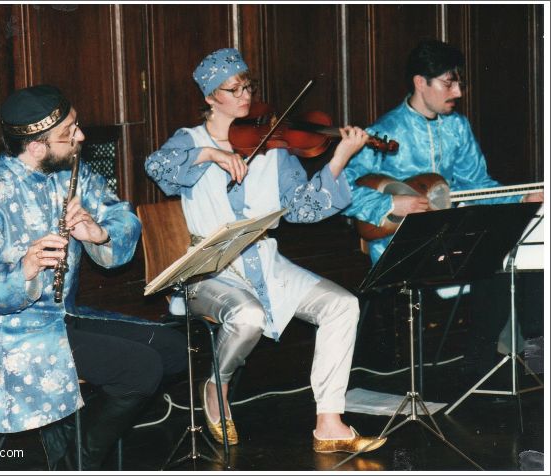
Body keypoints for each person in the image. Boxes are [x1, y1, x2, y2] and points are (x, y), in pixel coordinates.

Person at [145, 48, 386, 454]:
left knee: (342, 305)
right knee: (248, 314)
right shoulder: (190, 141)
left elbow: (305, 210)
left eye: (248, 86)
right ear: (209, 97)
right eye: (233, 89)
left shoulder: (272, 145)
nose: (244, 95)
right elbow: (157, 168)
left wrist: (339, 160)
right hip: (209, 269)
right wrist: (210, 154)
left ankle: (329, 420)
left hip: (264, 261)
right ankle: (217, 385)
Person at [0, 85, 186, 470]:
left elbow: (122, 215)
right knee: (141, 368)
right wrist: (22, 270)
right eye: (69, 132)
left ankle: (73, 439)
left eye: (76, 125)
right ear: (36, 146)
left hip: (62, 319)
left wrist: (99, 233)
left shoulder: (70, 170)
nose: (81, 137)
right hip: (13, 336)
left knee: (174, 347)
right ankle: (77, 459)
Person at [342, 39, 543, 377]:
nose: (459, 92)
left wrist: (519, 199)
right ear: (421, 82)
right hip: (400, 245)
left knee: (525, 243)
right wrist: (391, 203)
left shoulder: (457, 127)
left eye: (459, 82)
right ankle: (481, 361)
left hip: (450, 236)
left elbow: (477, 186)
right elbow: (345, 191)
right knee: (490, 253)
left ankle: (533, 345)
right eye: (449, 83)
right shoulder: (384, 133)